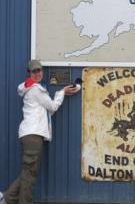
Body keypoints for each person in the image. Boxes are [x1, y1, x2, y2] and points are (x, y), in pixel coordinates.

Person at [0, 60, 79, 204]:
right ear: (29, 74)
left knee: (28, 172)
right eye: (34, 71)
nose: (37, 74)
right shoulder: (36, 89)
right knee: (30, 174)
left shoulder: (29, 88)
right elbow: (53, 107)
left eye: (39, 70)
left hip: (30, 134)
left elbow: (46, 111)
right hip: (33, 135)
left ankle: (5, 198)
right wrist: (62, 92)